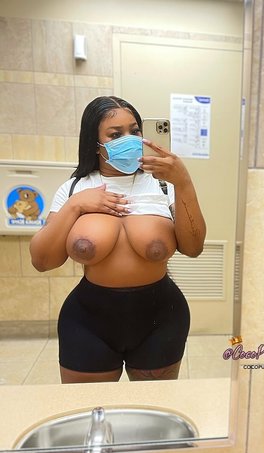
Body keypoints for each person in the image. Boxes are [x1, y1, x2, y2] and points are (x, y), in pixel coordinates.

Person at [29, 96, 206, 384]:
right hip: (87, 323)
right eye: (115, 134)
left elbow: (193, 247)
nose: (129, 139)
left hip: (161, 319)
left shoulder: (163, 186)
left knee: (151, 409)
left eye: (134, 131)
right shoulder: (74, 188)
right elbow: (42, 261)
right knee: (90, 408)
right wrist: (76, 205)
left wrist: (183, 182)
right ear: (94, 143)